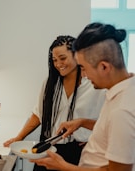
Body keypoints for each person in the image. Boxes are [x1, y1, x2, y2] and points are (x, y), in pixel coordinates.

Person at [31, 22, 135, 171]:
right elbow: (110, 129)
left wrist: (64, 167)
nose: (84, 75)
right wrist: (82, 122)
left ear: (104, 67)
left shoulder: (122, 110)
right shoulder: (123, 91)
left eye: (83, 68)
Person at [3, 35, 105, 170]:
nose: (58, 64)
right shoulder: (50, 83)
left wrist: (93, 142)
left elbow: (107, 123)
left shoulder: (95, 85)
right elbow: (39, 114)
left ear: (76, 55)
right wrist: (19, 137)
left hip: (79, 152)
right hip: (48, 149)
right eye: (54, 60)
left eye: (62, 58)